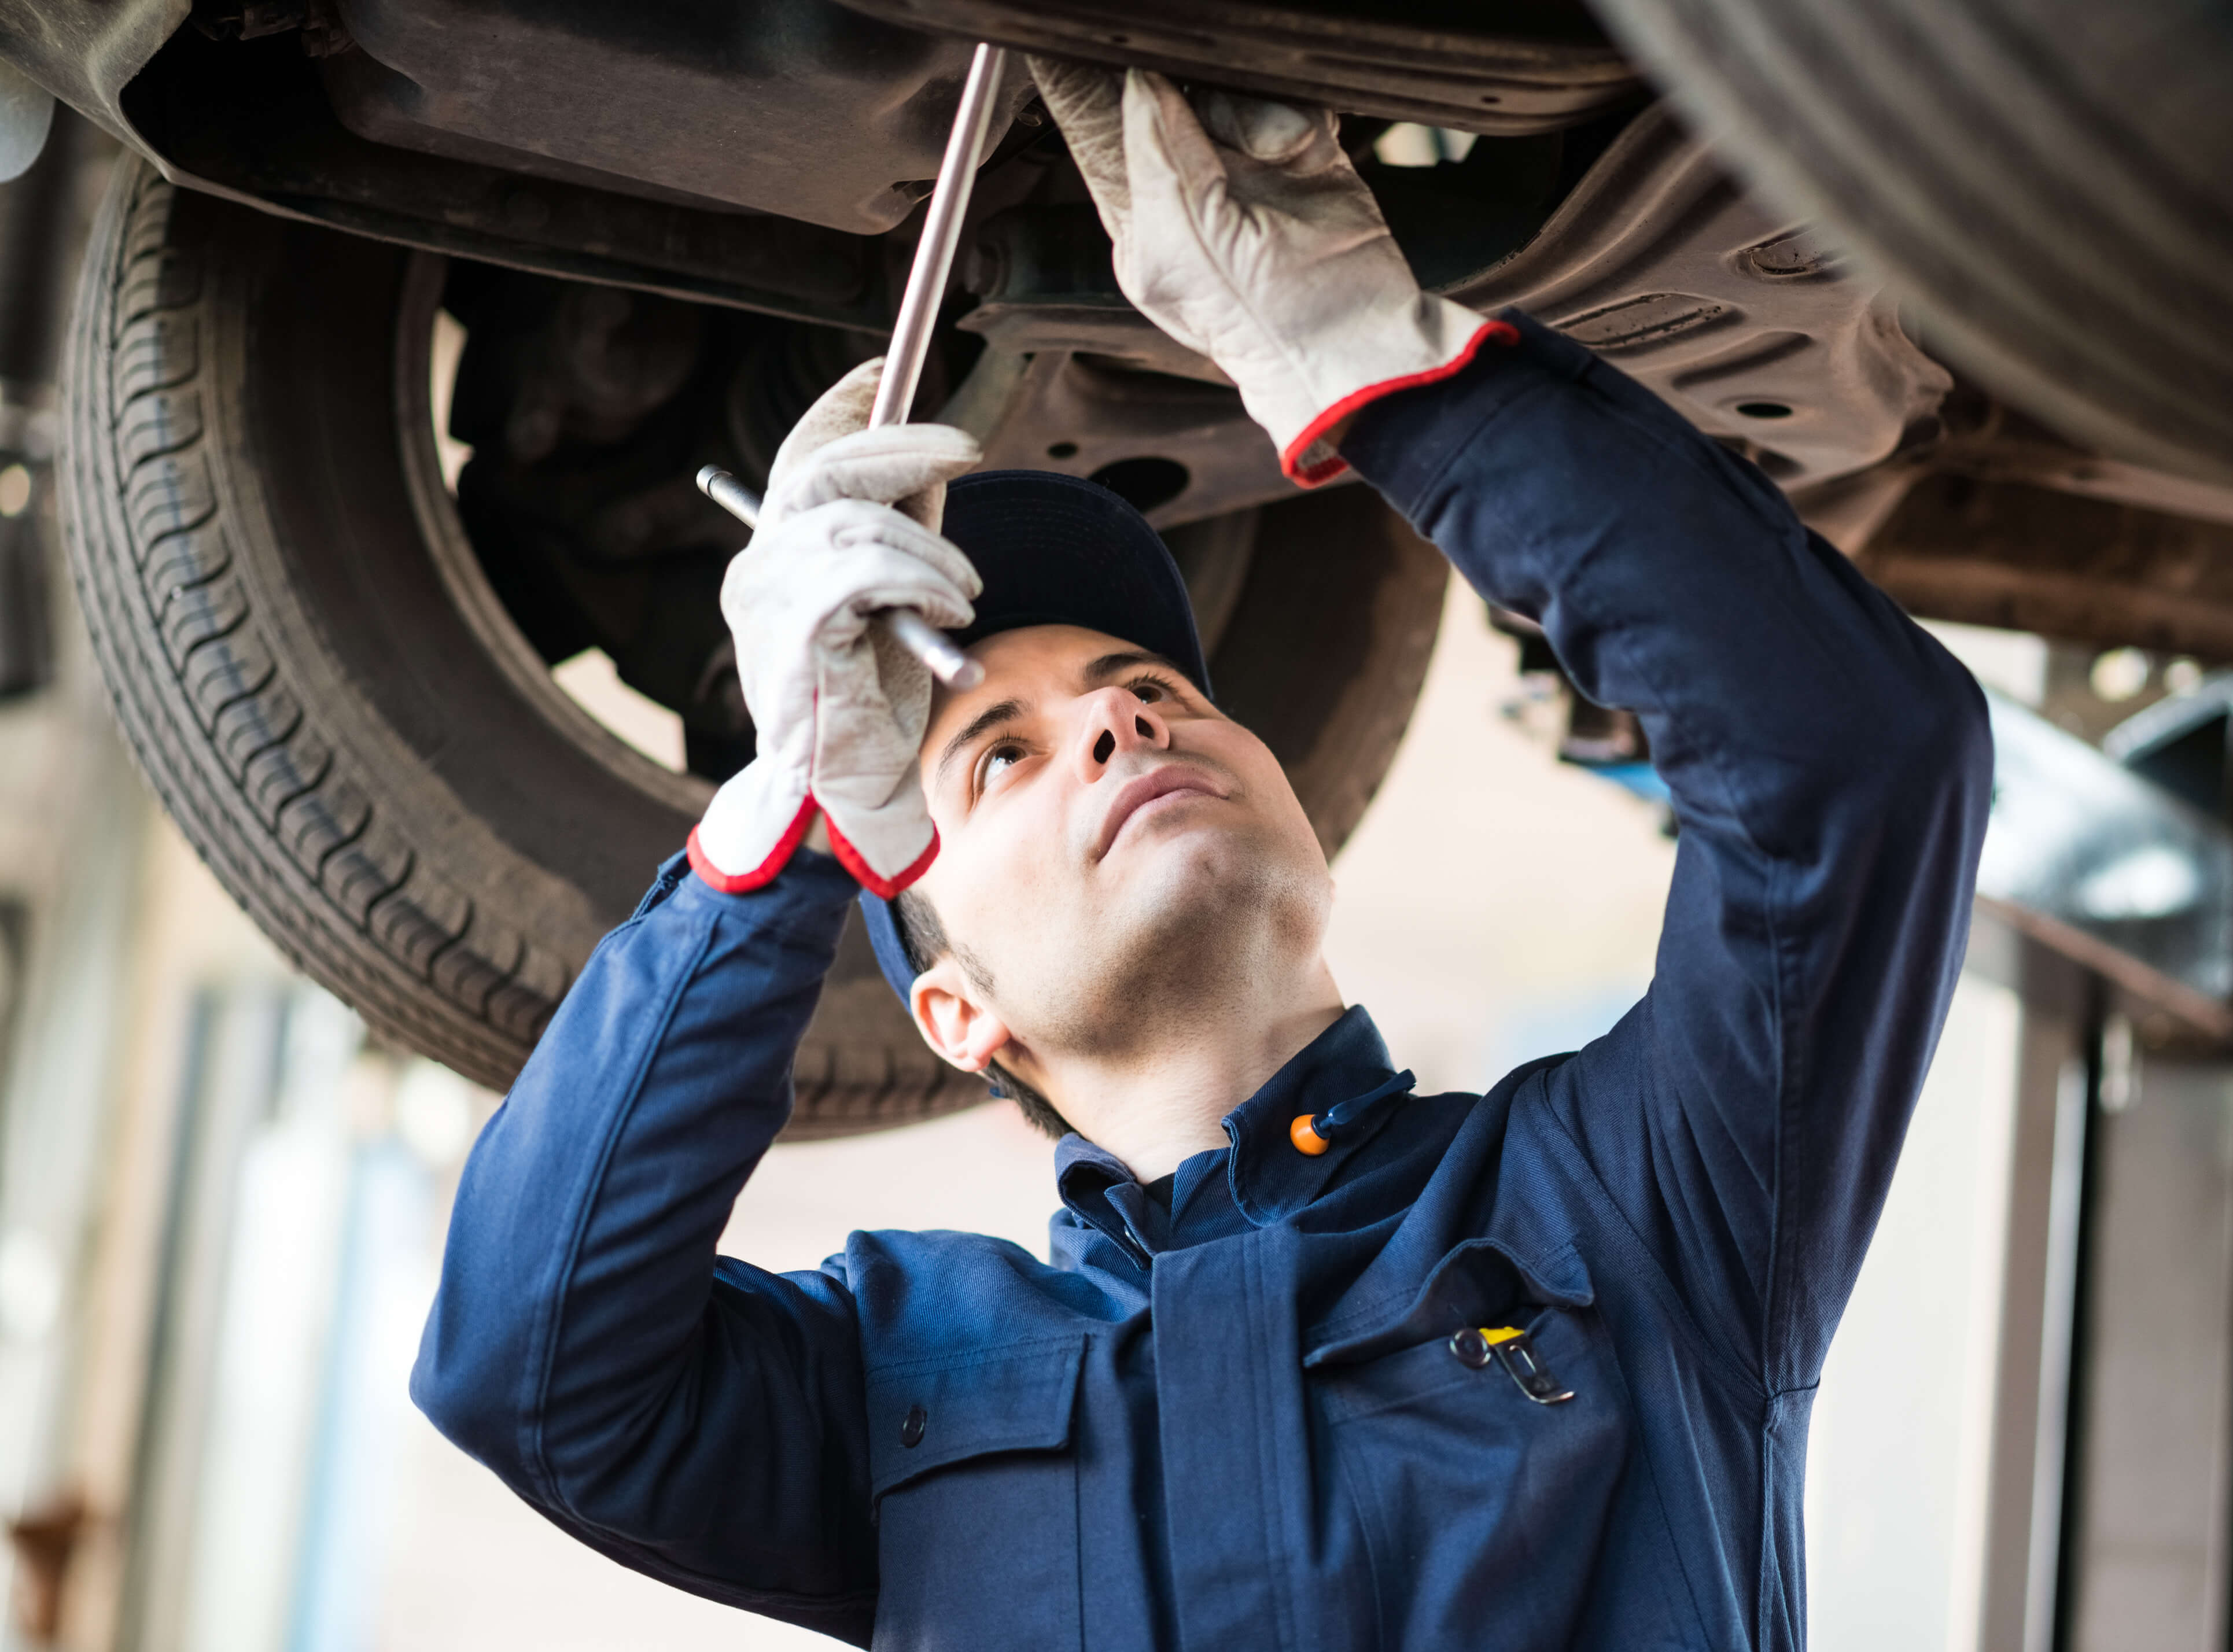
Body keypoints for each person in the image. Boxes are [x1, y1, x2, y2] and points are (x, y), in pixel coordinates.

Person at [412, 62, 1994, 1652]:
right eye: (1002, 755)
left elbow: (1854, 761)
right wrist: (782, 825)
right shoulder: (894, 1378)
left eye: (1148, 689)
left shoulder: (1627, 1202)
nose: (1113, 725)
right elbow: (528, 1372)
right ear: (958, 1015)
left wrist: (1383, 374)